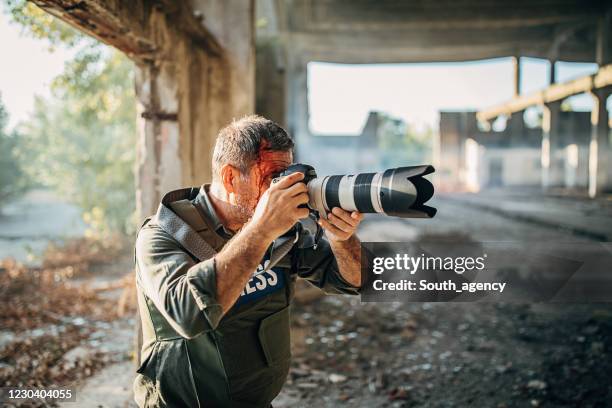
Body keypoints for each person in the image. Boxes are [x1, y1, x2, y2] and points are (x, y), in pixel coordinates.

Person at [133, 115, 363, 407]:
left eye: (287, 176)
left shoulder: (282, 230)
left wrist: (342, 239)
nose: (282, 191)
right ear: (230, 177)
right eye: (272, 178)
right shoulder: (163, 236)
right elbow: (188, 313)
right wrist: (262, 230)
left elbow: (353, 280)